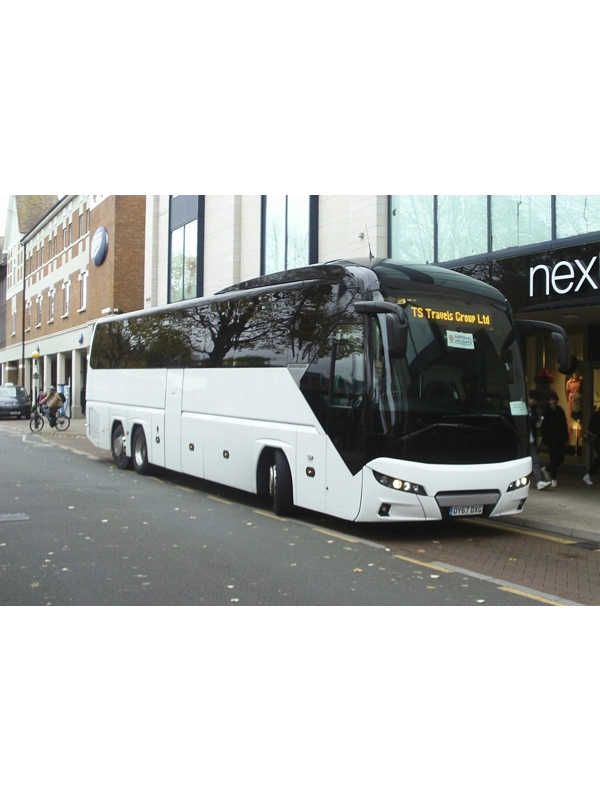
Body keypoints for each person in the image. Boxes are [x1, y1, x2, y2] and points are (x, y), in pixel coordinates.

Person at [540, 391, 569, 488]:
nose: (553, 402)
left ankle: (547, 469)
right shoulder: (546, 412)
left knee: (561, 458)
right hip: (551, 439)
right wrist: (545, 440)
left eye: (555, 400)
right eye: (552, 400)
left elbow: (564, 425)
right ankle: (554, 479)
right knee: (553, 458)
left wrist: (566, 437)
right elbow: (544, 427)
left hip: (560, 439)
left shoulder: (560, 411)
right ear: (549, 401)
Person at [528, 389, 551, 490]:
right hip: (522, 439)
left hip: (529, 439)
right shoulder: (524, 409)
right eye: (534, 399)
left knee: (534, 460)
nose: (535, 402)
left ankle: (539, 481)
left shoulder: (534, 410)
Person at [583, 406, 600, 485]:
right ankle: (589, 474)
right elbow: (592, 428)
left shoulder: (595, 415)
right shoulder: (596, 415)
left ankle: (589, 474)